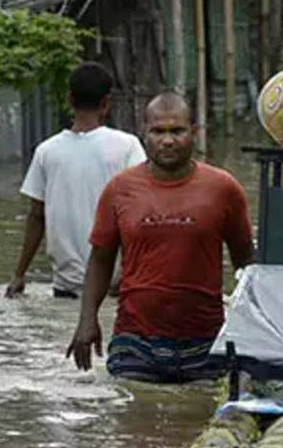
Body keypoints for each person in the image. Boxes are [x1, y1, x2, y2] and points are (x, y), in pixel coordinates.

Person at [67, 92, 255, 383]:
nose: (167, 141)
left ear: (194, 132)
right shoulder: (119, 189)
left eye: (177, 131)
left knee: (197, 421)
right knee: (133, 420)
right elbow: (101, 260)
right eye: (158, 131)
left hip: (206, 342)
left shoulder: (223, 189)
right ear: (144, 134)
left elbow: (247, 262)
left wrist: (253, 328)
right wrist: (86, 320)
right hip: (135, 341)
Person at [6, 62, 147, 299]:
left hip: (65, 288)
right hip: (114, 288)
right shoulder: (127, 146)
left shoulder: (46, 151)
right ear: (106, 103)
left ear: (70, 100)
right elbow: (142, 213)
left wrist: (19, 274)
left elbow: (36, 217)